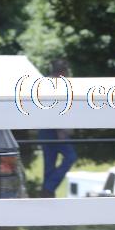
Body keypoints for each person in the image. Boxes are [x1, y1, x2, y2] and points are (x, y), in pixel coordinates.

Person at [38, 59, 77, 198]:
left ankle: (47, 192)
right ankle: (48, 188)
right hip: (54, 129)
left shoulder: (45, 84)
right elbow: (55, 108)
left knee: (49, 164)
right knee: (70, 156)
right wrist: (61, 129)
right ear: (63, 72)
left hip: (45, 128)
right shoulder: (57, 85)